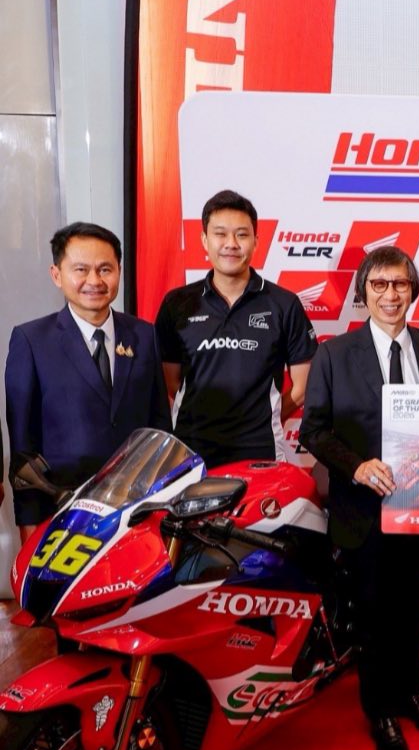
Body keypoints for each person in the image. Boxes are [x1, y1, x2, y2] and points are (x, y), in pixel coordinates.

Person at [300, 245, 419, 750]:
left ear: (414, 290)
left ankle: (411, 693)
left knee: (413, 607)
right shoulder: (334, 354)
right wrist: (358, 466)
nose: (391, 294)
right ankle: (381, 711)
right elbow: (313, 430)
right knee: (372, 615)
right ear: (363, 292)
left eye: (400, 284)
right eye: (379, 285)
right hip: (363, 510)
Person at [5, 223, 171, 537]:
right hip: (62, 512)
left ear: (119, 271)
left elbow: (159, 427)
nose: (94, 281)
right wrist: (29, 526)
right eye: (81, 269)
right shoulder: (32, 341)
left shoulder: (144, 335)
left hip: (136, 512)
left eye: (105, 269)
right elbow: (23, 451)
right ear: (57, 275)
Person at [155, 189, 316, 468]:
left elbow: (302, 386)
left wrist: (267, 418)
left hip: (260, 450)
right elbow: (171, 382)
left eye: (242, 235)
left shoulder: (283, 304)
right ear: (204, 240)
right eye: (220, 234)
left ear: (256, 241)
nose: (231, 244)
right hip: (191, 450)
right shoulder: (177, 303)